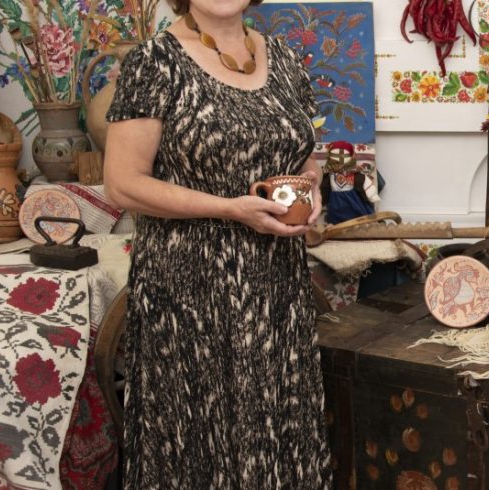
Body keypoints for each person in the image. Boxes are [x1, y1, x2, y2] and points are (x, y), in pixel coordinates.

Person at [103, 0, 329, 486]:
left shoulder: (285, 57)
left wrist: (312, 192)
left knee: (276, 428)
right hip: (189, 287)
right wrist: (229, 208)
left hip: (275, 287)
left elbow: (303, 157)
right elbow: (121, 184)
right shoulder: (153, 61)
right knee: (197, 438)